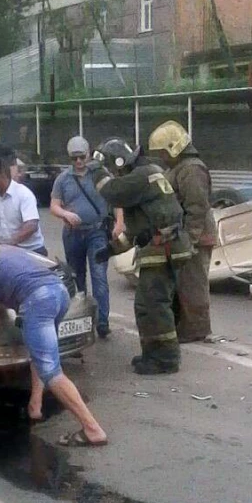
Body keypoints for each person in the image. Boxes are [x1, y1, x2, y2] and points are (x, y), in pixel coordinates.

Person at [0, 234, 107, 446]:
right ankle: (35, 406)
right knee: (40, 355)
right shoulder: (7, 255)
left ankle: (92, 429)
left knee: (51, 371)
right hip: (60, 294)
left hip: (38, 301)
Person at [88, 138, 192, 375]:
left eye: (112, 169)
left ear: (119, 164)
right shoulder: (143, 179)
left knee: (153, 305)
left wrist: (95, 170)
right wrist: (111, 250)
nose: (113, 174)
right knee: (149, 305)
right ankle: (153, 354)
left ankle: (165, 359)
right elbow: (135, 233)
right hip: (165, 246)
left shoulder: (142, 176)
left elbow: (111, 192)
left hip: (164, 249)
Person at [148, 121, 217, 342]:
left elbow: (196, 207)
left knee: (193, 285)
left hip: (195, 237)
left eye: (162, 152)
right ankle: (185, 327)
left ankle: (196, 329)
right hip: (185, 236)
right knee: (183, 284)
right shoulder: (180, 168)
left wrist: (190, 240)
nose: (161, 157)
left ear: (173, 147)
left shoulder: (191, 169)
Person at [50, 136, 124, 339]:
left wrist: (119, 222)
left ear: (88, 154)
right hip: (73, 234)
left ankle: (102, 322)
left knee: (99, 277)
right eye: (74, 159)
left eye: (82, 157)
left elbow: (116, 198)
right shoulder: (63, 179)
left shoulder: (100, 174)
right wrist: (65, 214)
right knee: (77, 279)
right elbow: (54, 205)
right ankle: (81, 322)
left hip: (97, 231)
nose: (79, 162)